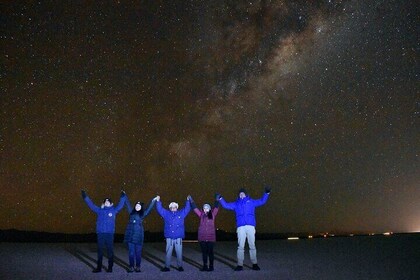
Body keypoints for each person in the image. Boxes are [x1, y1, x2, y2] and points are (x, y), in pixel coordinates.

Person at [216, 186, 271, 271]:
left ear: (246, 194)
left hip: (250, 226)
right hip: (241, 227)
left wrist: (266, 193)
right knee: (240, 246)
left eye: (243, 193)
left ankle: (254, 264)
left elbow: (261, 201)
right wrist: (220, 198)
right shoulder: (236, 204)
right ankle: (240, 265)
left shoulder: (251, 202)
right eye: (240, 194)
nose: (241, 195)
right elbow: (226, 205)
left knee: (252, 245)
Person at [81, 189, 127, 273]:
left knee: (110, 251)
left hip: (109, 234)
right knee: (100, 251)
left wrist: (123, 196)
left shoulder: (114, 210)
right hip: (101, 233)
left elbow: (120, 205)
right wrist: (85, 196)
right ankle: (99, 267)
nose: (106, 202)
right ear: (103, 203)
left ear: (111, 203)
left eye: (108, 201)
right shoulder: (99, 210)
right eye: (105, 201)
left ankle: (110, 267)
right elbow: (91, 205)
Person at [155, 195, 192, 272]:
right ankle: (167, 266)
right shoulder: (166, 213)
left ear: (177, 207)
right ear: (169, 207)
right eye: (171, 207)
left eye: (174, 206)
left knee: (179, 253)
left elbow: (187, 209)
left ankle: (180, 266)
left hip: (178, 237)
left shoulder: (181, 213)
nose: (173, 208)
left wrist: (188, 201)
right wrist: (158, 201)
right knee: (168, 253)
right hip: (169, 237)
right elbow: (160, 209)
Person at [123, 194, 158, 273]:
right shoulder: (131, 212)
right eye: (136, 205)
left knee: (138, 253)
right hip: (130, 235)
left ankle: (138, 266)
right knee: (131, 253)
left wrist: (154, 200)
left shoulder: (143, 214)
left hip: (139, 236)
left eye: (139, 206)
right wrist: (125, 196)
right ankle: (131, 266)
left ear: (141, 207)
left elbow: (149, 208)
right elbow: (127, 204)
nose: (137, 207)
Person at [190, 195, 219, 271]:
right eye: (204, 208)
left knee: (210, 252)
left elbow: (216, 207)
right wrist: (191, 200)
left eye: (207, 208)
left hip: (210, 237)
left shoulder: (212, 214)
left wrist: (217, 200)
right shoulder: (201, 215)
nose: (205, 209)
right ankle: (205, 266)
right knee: (204, 253)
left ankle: (211, 266)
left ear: (209, 209)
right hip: (202, 237)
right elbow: (195, 209)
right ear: (203, 209)